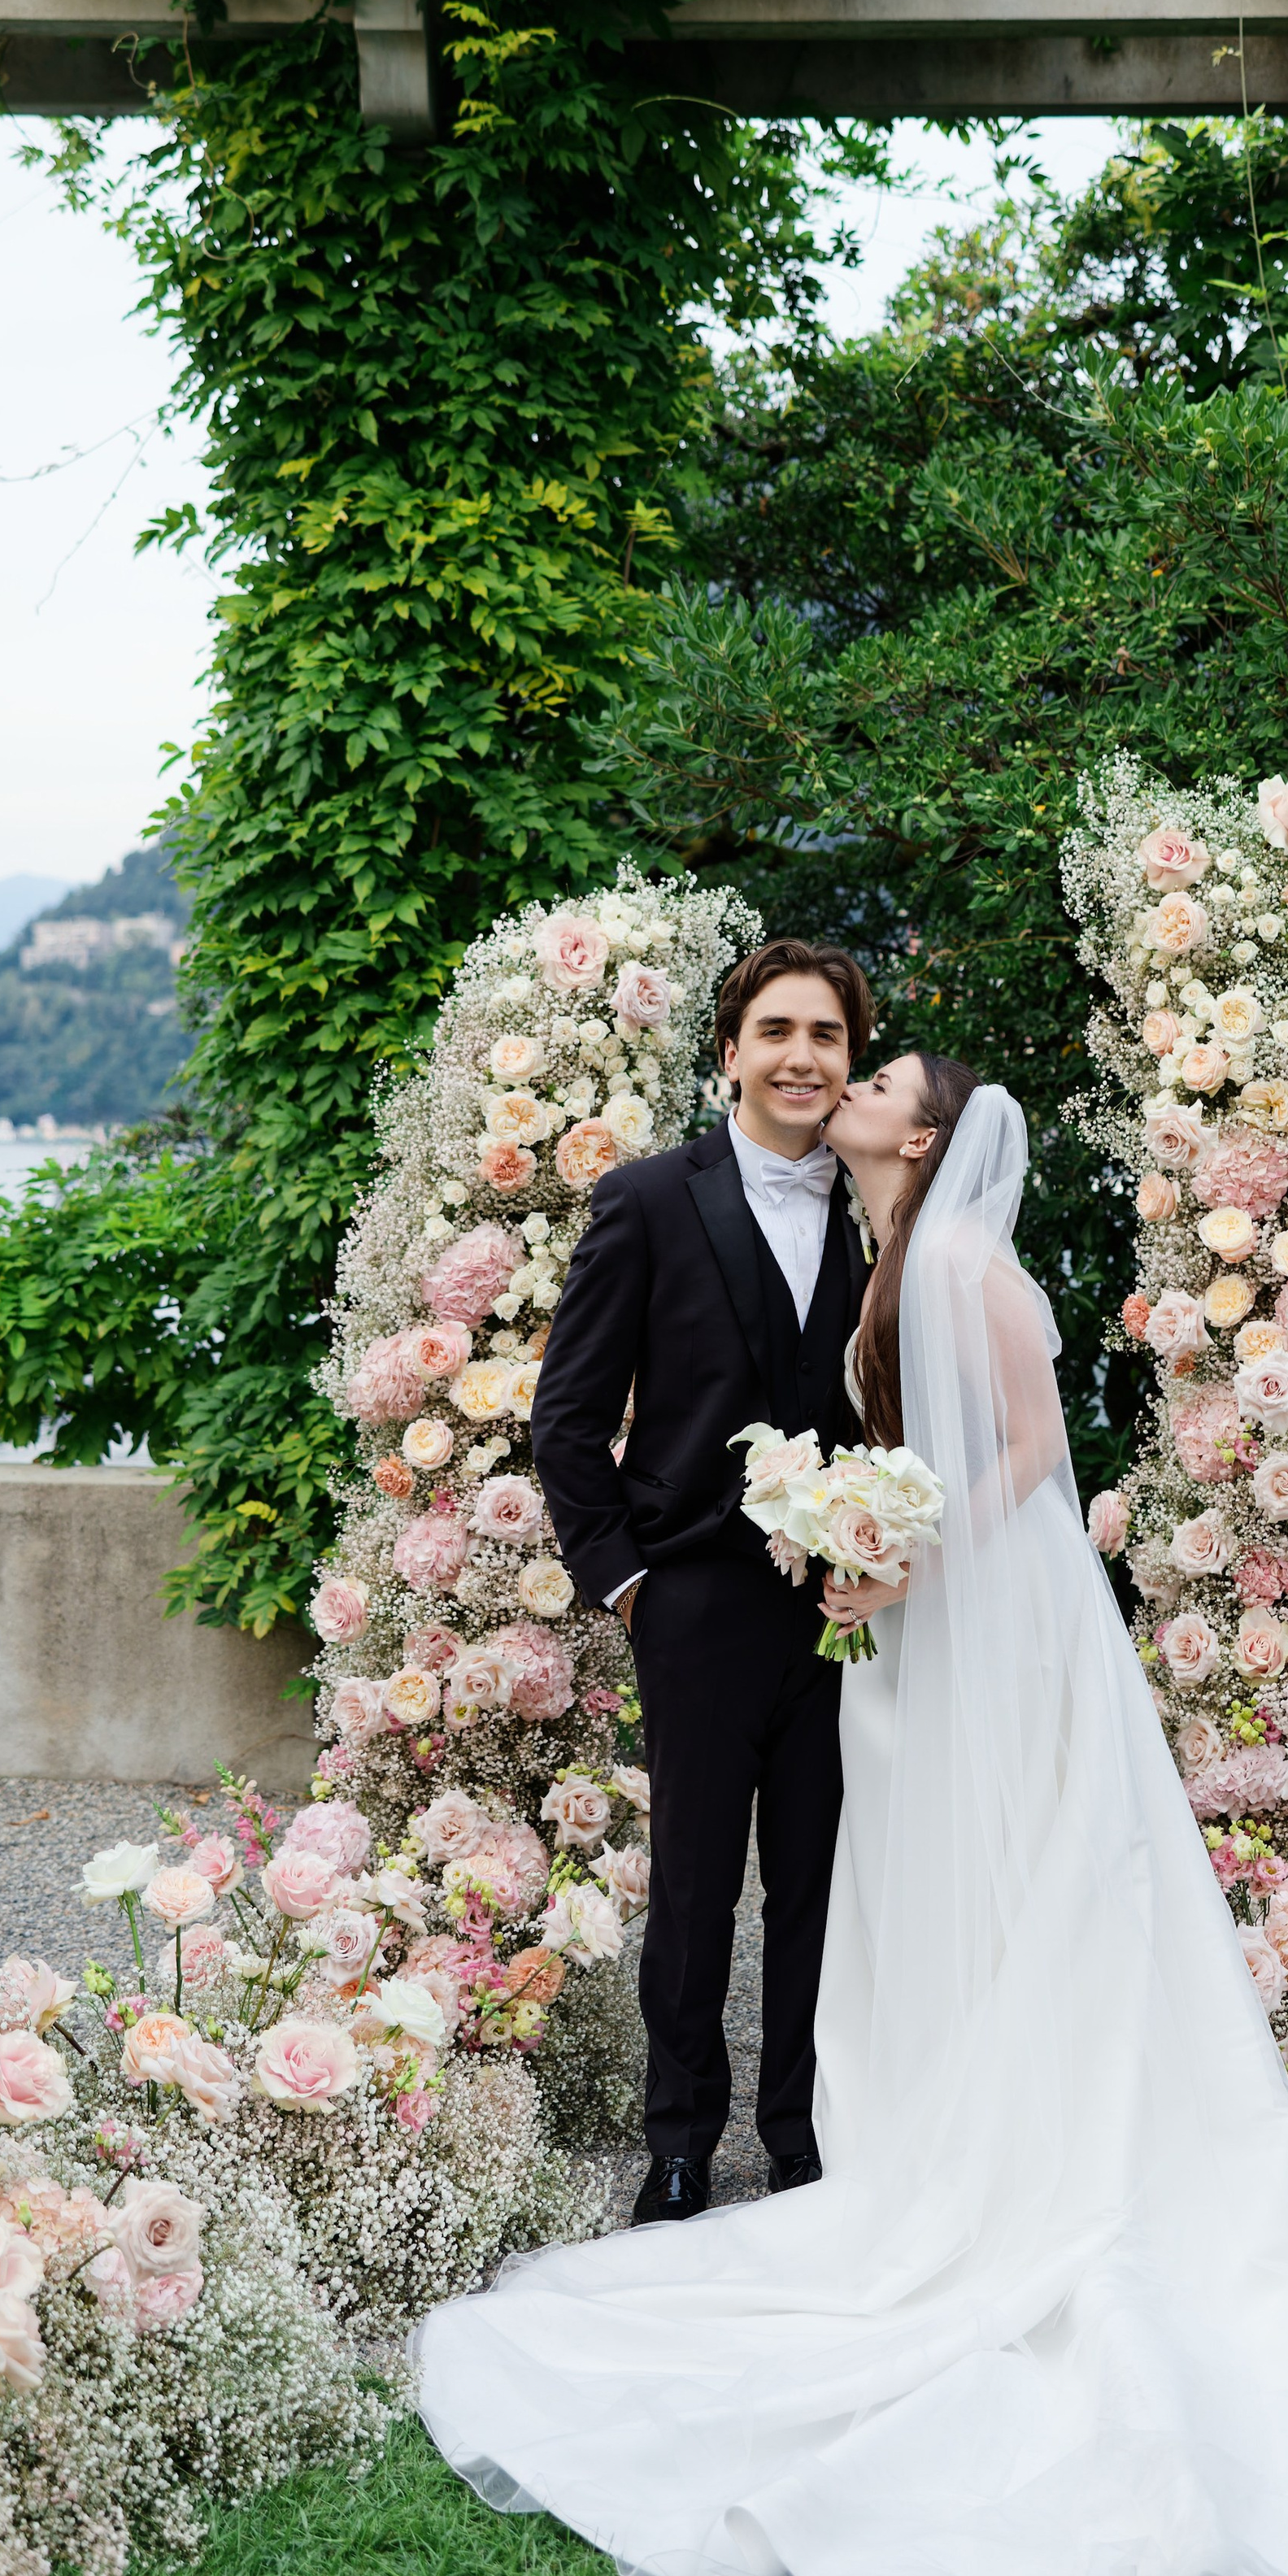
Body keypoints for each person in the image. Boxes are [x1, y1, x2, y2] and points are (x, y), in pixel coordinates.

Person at [420, 1064, 1288, 2576]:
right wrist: (862, 1537)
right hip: (922, 1633)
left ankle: (1029, 2159)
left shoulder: (954, 1263)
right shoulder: (895, 1256)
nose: (847, 1087)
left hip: (992, 1629)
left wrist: (896, 1543)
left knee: (1023, 1881)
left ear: (919, 1139)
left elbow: (1031, 1445)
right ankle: (946, 2137)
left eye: (872, 1081)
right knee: (950, 1894)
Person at [531, 937, 875, 2226]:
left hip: (847, 1616)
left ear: (851, 1059)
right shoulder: (647, 1200)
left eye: (827, 1036)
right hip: (693, 1605)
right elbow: (566, 1418)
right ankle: (679, 2139)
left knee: (823, 1883)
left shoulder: (882, 1203)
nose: (801, 1056)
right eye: (777, 1031)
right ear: (729, 1052)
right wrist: (624, 1582)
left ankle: (800, 2133)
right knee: (690, 1889)